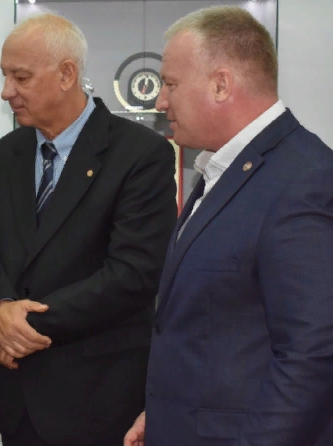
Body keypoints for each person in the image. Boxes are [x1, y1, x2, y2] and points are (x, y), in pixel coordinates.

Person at [123, 6, 333, 446]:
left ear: (221, 84)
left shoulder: (303, 181)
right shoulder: (226, 169)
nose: (160, 101)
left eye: (171, 84)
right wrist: (164, 413)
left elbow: (312, 356)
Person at [0, 13, 177, 446]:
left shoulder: (141, 154)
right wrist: (0, 307)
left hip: (99, 400)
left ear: (67, 75)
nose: (6, 91)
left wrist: (19, 326)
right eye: (5, 76)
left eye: (20, 77)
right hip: (18, 397)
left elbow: (134, 273)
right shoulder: (4, 155)